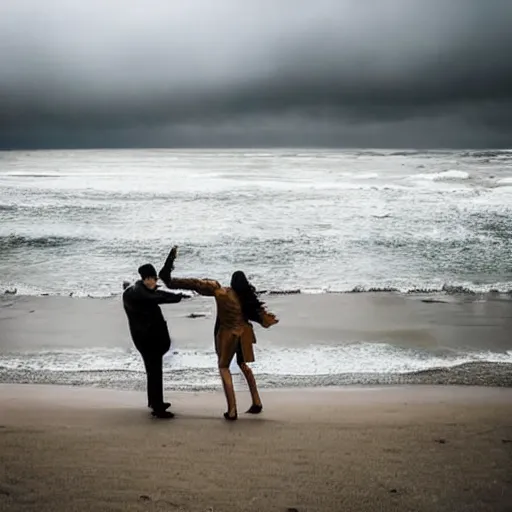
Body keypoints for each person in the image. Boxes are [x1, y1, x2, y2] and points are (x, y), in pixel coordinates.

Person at [158, 246, 279, 421]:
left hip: (229, 334)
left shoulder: (221, 292)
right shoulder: (247, 299)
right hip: (244, 332)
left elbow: (195, 283)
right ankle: (257, 402)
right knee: (244, 365)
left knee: (224, 367)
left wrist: (170, 275)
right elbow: (262, 319)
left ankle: (232, 410)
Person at [122, 262, 186, 419]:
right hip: (148, 339)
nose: (154, 283)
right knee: (155, 371)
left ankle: (154, 402)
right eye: (152, 279)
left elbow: (157, 294)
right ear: (145, 279)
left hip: (146, 338)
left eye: (155, 280)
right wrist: (178, 297)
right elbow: (157, 297)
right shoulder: (139, 293)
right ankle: (158, 408)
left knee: (153, 371)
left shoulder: (137, 290)